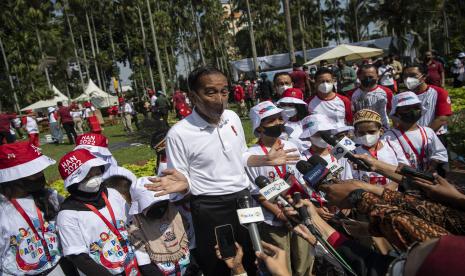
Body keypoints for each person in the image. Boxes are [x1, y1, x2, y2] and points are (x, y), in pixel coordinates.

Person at [145, 66, 299, 276]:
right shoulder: (179, 134)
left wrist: (265, 159)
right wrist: (184, 186)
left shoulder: (233, 118)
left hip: (244, 200)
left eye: (224, 91)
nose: (220, 99)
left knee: (254, 259)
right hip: (211, 208)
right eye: (210, 92)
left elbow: (240, 155)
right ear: (193, 96)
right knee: (222, 263)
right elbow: (179, 181)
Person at [246, 101, 314, 275]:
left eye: (279, 119)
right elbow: (257, 193)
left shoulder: (291, 147)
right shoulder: (252, 155)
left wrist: (297, 207)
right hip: (272, 221)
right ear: (259, 128)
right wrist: (279, 213)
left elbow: (299, 181)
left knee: (303, 263)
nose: (277, 123)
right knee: (281, 267)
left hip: (298, 214)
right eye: (270, 121)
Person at [56, 149, 140, 275]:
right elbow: (79, 258)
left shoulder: (112, 193)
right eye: (88, 176)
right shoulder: (68, 215)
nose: (95, 179)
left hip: (134, 265)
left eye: (96, 173)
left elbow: (131, 223)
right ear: (74, 182)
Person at [0, 141, 78, 275]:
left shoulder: (51, 196)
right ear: (13, 178)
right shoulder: (4, 211)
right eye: (33, 172)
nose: (40, 175)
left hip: (62, 268)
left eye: (40, 171)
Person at [128, 178, 191, 275]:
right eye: (151, 206)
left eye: (162, 203)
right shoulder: (139, 230)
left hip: (186, 267)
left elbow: (188, 239)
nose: (160, 209)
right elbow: (145, 263)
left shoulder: (174, 216)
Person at [384, 92, 448, 176]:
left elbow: (440, 152)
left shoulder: (428, 132)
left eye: (416, 107)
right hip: (402, 181)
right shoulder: (388, 137)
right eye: (406, 109)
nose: (413, 111)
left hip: (427, 180)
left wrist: (432, 166)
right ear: (397, 113)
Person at [352, 109, 409, 188]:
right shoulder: (354, 153)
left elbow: (404, 170)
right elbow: (352, 179)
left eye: (371, 132)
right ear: (355, 133)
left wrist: (392, 185)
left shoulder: (392, 146)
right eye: (361, 133)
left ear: (381, 131)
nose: (367, 136)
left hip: (393, 193)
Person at [402, 65, 453, 146]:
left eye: (412, 75)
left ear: (424, 76)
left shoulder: (439, 92)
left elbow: (442, 118)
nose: (408, 79)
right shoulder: (403, 96)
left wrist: (424, 136)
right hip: (410, 139)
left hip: (435, 137)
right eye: (405, 76)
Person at [350, 64, 393, 129]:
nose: (368, 79)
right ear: (359, 77)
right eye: (365, 77)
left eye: (371, 77)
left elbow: (391, 110)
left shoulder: (387, 92)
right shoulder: (352, 94)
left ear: (377, 76)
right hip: (361, 129)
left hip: (382, 127)